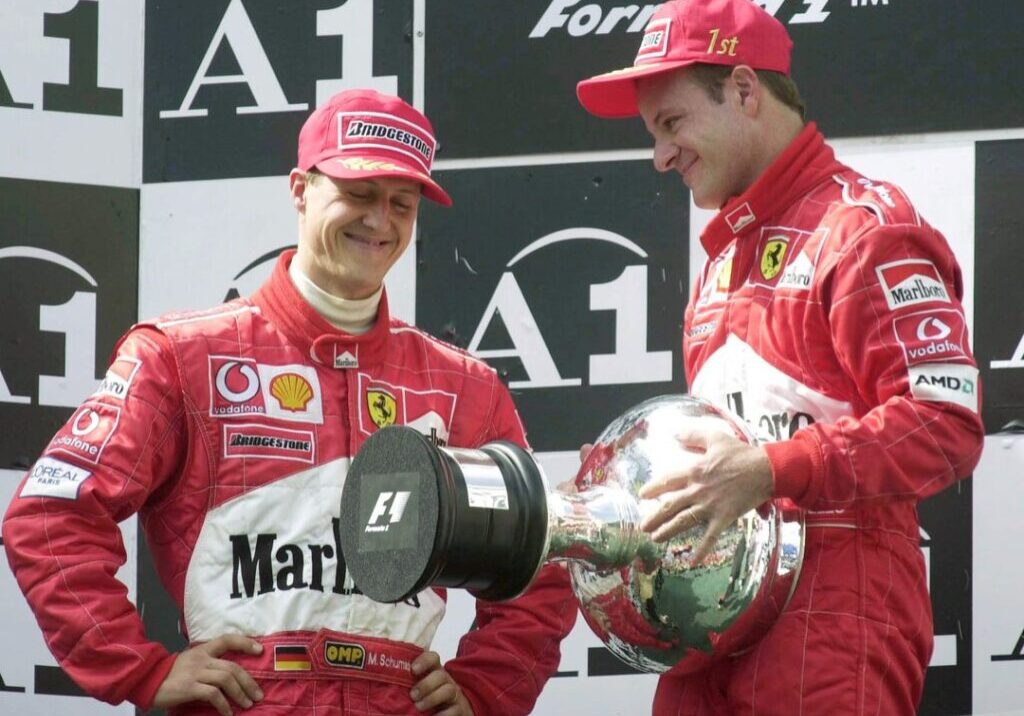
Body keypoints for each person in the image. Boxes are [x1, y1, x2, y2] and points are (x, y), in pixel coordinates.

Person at [2, 89, 576, 716]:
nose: (380, 221)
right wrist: (139, 669)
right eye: (359, 195)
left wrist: (485, 687)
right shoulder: (181, 356)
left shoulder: (462, 388)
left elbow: (543, 561)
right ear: (300, 189)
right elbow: (51, 516)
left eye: (401, 204)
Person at [575, 0, 984, 713]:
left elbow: (946, 424)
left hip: (836, 618)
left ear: (742, 90)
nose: (659, 155)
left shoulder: (863, 229)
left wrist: (772, 470)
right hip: (710, 627)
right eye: (652, 134)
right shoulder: (720, 265)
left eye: (671, 124)